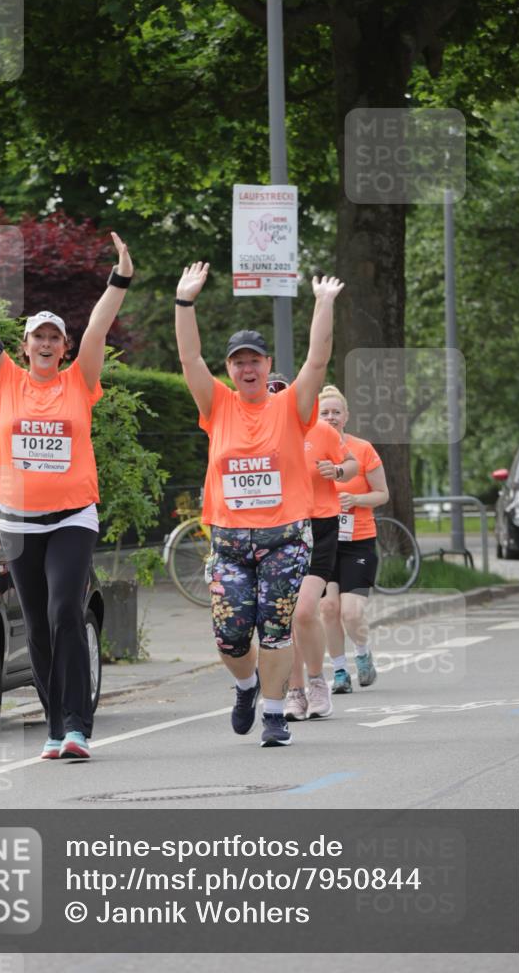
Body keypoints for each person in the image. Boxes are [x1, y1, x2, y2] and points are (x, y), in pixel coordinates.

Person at [0, 225, 133, 760]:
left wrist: (120, 278)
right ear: (24, 346)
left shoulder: (79, 381)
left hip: (72, 518)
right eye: (37, 337)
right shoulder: (5, 381)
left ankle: (77, 725)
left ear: (63, 348)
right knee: (40, 623)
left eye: (54, 338)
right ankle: (53, 728)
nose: (46, 344)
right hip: (20, 523)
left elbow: (98, 327)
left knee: (67, 609)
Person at [175, 261, 344, 747]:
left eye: (255, 361)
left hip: (285, 539)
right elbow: (190, 360)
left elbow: (318, 360)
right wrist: (185, 302)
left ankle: (274, 714)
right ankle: (246, 687)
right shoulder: (218, 406)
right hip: (228, 541)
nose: (247, 369)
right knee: (230, 635)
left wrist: (324, 303)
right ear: (230, 369)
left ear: (268, 366)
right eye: (238, 362)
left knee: (274, 630)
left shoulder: (291, 405)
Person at [284, 410, 358, 722]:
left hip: (320, 526)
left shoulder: (321, 430)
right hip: (280, 528)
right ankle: (294, 691)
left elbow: (352, 464)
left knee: (303, 611)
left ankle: (317, 683)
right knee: (285, 618)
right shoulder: (262, 435)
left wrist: (338, 470)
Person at [317, 385, 390, 693]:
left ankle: (362, 654)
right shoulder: (311, 450)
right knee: (328, 609)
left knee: (351, 610)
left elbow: (383, 494)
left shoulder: (362, 449)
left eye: (336, 412)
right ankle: (340, 672)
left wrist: (356, 499)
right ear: (316, 417)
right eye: (325, 413)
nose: (331, 417)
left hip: (358, 541)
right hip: (323, 540)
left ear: (346, 416)